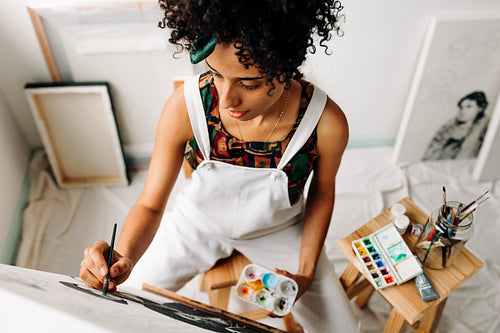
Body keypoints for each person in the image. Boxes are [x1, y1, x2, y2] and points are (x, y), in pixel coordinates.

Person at [80, 1, 359, 332]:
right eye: (215, 74)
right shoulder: (184, 107)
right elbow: (151, 204)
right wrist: (120, 259)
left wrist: (305, 273)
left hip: (280, 230)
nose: (227, 100)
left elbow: (323, 192)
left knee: (343, 329)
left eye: (249, 83)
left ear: (286, 66)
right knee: (114, 300)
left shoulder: (326, 123)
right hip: (197, 223)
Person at [423, 91, 489, 160]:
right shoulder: (450, 126)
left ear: (480, 108)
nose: (463, 111)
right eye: (461, 107)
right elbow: (433, 148)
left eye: (469, 107)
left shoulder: (484, 128)